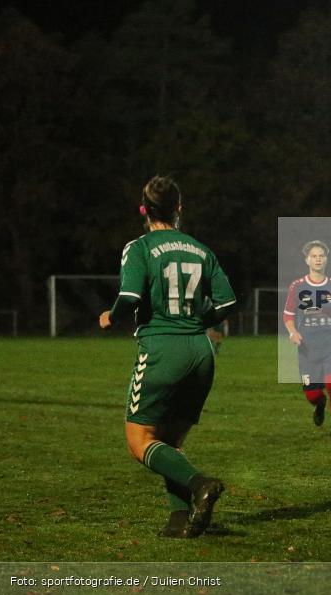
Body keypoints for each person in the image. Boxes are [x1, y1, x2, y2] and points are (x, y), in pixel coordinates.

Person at [99, 175, 237, 538]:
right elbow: (227, 302)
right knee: (170, 442)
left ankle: (200, 484)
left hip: (163, 349)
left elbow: (130, 297)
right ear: (178, 208)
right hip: (202, 352)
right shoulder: (201, 249)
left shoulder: (140, 247)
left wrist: (110, 316)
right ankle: (179, 519)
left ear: (143, 210)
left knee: (140, 442)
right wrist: (198, 322)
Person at [283, 240, 331, 441]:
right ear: (307, 260)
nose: (318, 259)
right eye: (314, 256)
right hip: (307, 347)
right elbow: (288, 315)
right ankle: (320, 404)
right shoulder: (298, 286)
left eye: (321, 256)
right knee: (312, 395)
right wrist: (293, 332)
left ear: (326, 259)